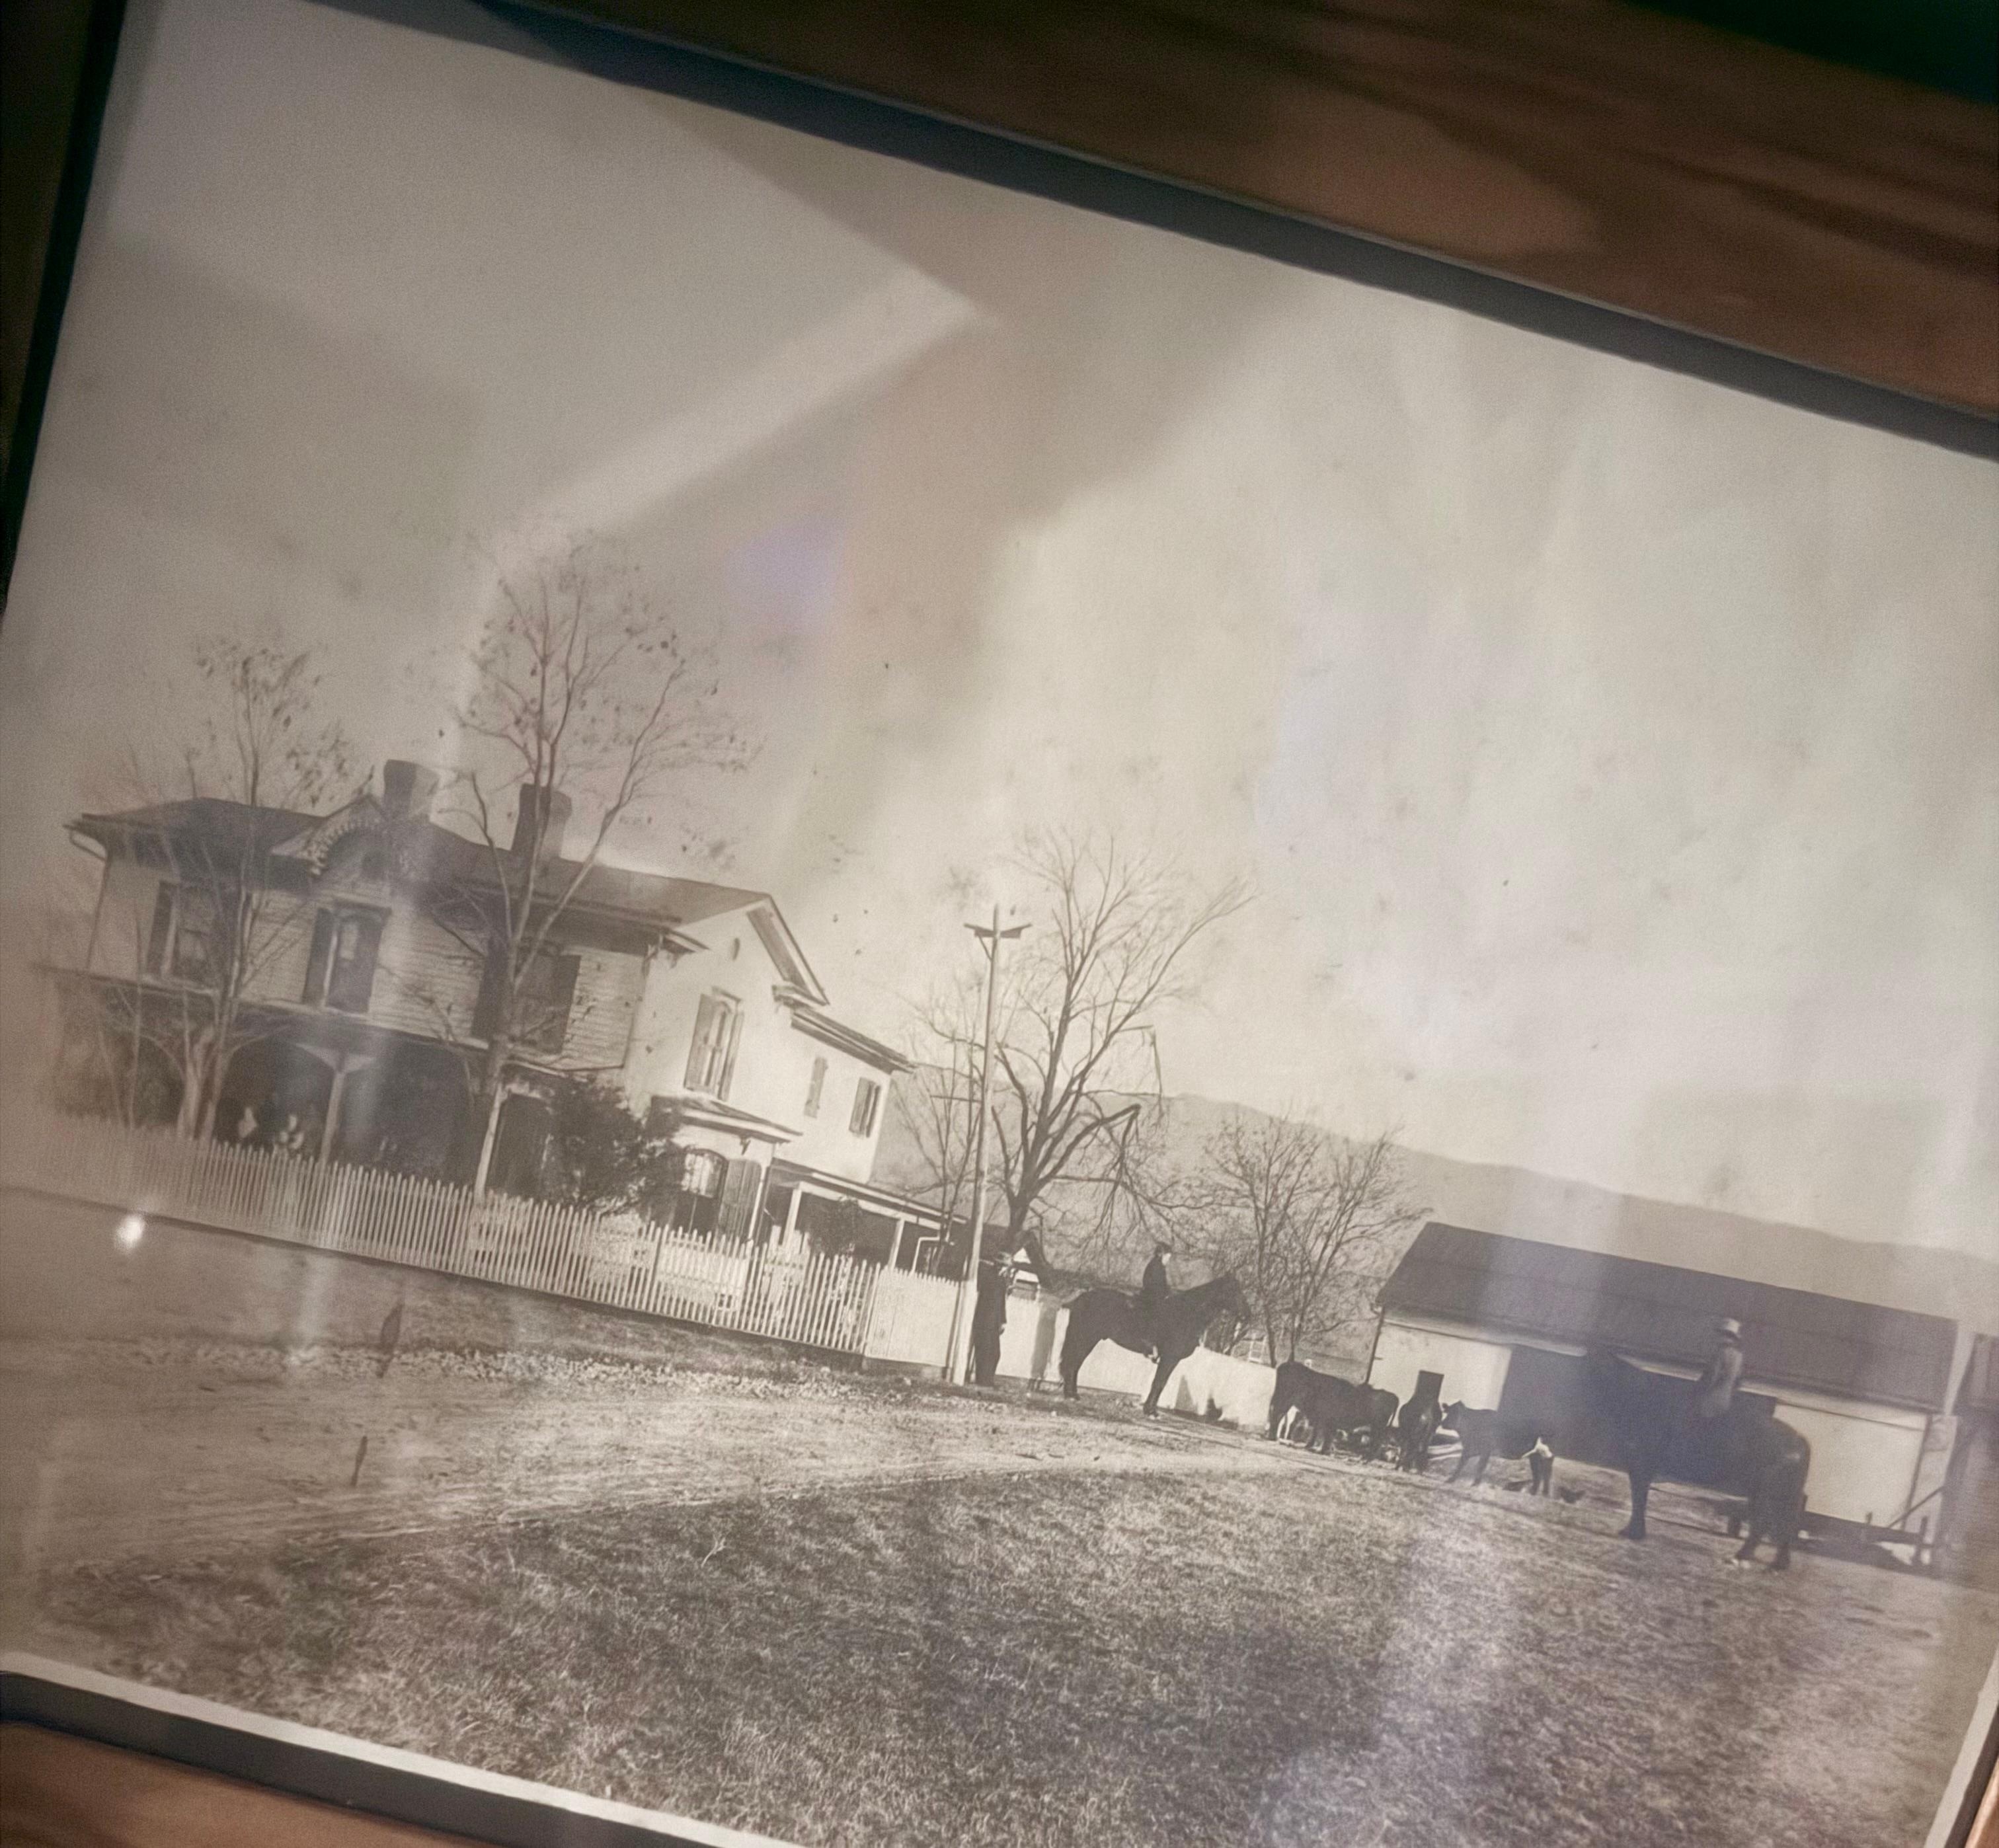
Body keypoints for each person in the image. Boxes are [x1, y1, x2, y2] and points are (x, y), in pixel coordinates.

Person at [1692, 1317, 1745, 1422]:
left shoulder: (1720, 1353)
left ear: (1725, 1336)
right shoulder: (1739, 1356)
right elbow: (1738, 1381)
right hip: (1726, 1401)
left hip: (1709, 1400)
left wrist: (1697, 1392)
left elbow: (1712, 1376)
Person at [1138, 1243, 1173, 1357]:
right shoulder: (1155, 1266)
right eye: (1167, 1257)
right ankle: (1149, 1344)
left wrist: (1168, 1293)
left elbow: (1163, 1285)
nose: (1168, 1261)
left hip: (1155, 1297)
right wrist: (1163, 1294)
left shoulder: (1160, 1267)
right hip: (1150, 1297)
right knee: (1157, 1315)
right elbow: (1152, 1284)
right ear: (1161, 1255)